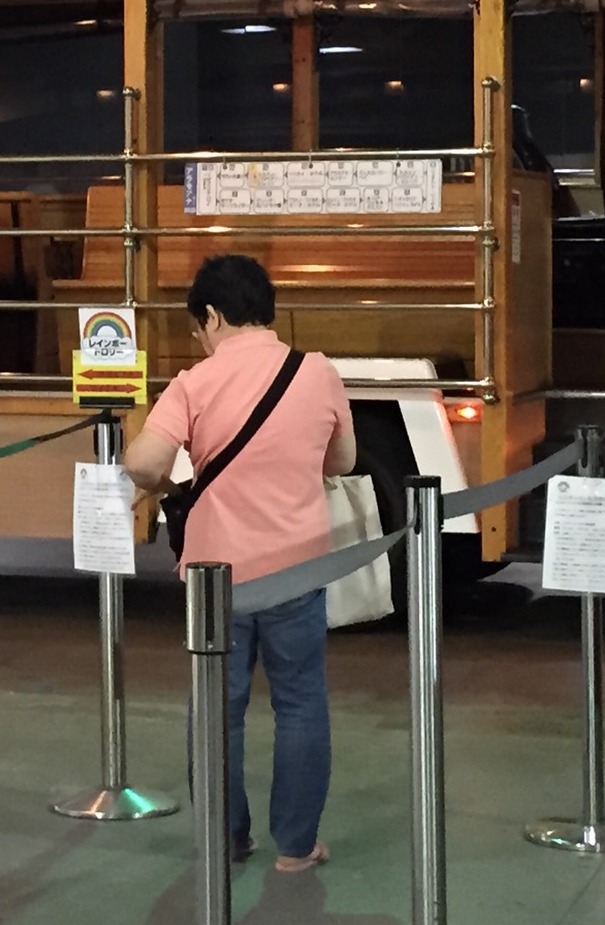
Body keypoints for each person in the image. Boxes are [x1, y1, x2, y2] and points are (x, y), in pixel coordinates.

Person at [123, 254, 356, 874]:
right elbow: (343, 461)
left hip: (216, 578)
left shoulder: (193, 383)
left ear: (213, 316)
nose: (200, 340)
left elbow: (143, 462)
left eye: (198, 328)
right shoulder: (316, 371)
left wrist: (169, 486)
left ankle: (225, 839)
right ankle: (297, 848)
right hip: (297, 571)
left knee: (217, 710)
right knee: (300, 703)